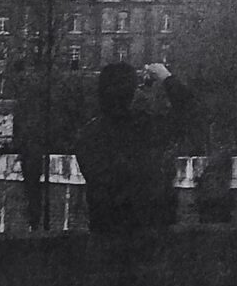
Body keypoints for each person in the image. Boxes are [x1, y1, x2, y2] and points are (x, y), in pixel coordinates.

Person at [75, 62, 190, 235]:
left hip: (106, 234)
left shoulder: (89, 135)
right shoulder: (147, 128)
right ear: (131, 92)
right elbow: (189, 112)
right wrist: (166, 78)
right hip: (148, 234)